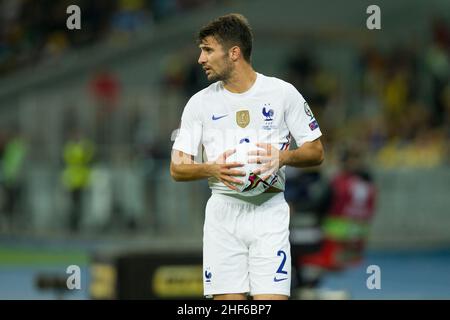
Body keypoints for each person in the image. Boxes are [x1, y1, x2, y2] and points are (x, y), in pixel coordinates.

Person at [170, 13, 324, 300]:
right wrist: (212, 168)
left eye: (207, 50)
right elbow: (177, 168)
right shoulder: (198, 104)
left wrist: (283, 158)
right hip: (223, 215)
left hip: (270, 212)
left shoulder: (282, 94)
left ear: (234, 53)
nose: (200, 59)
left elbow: (316, 152)